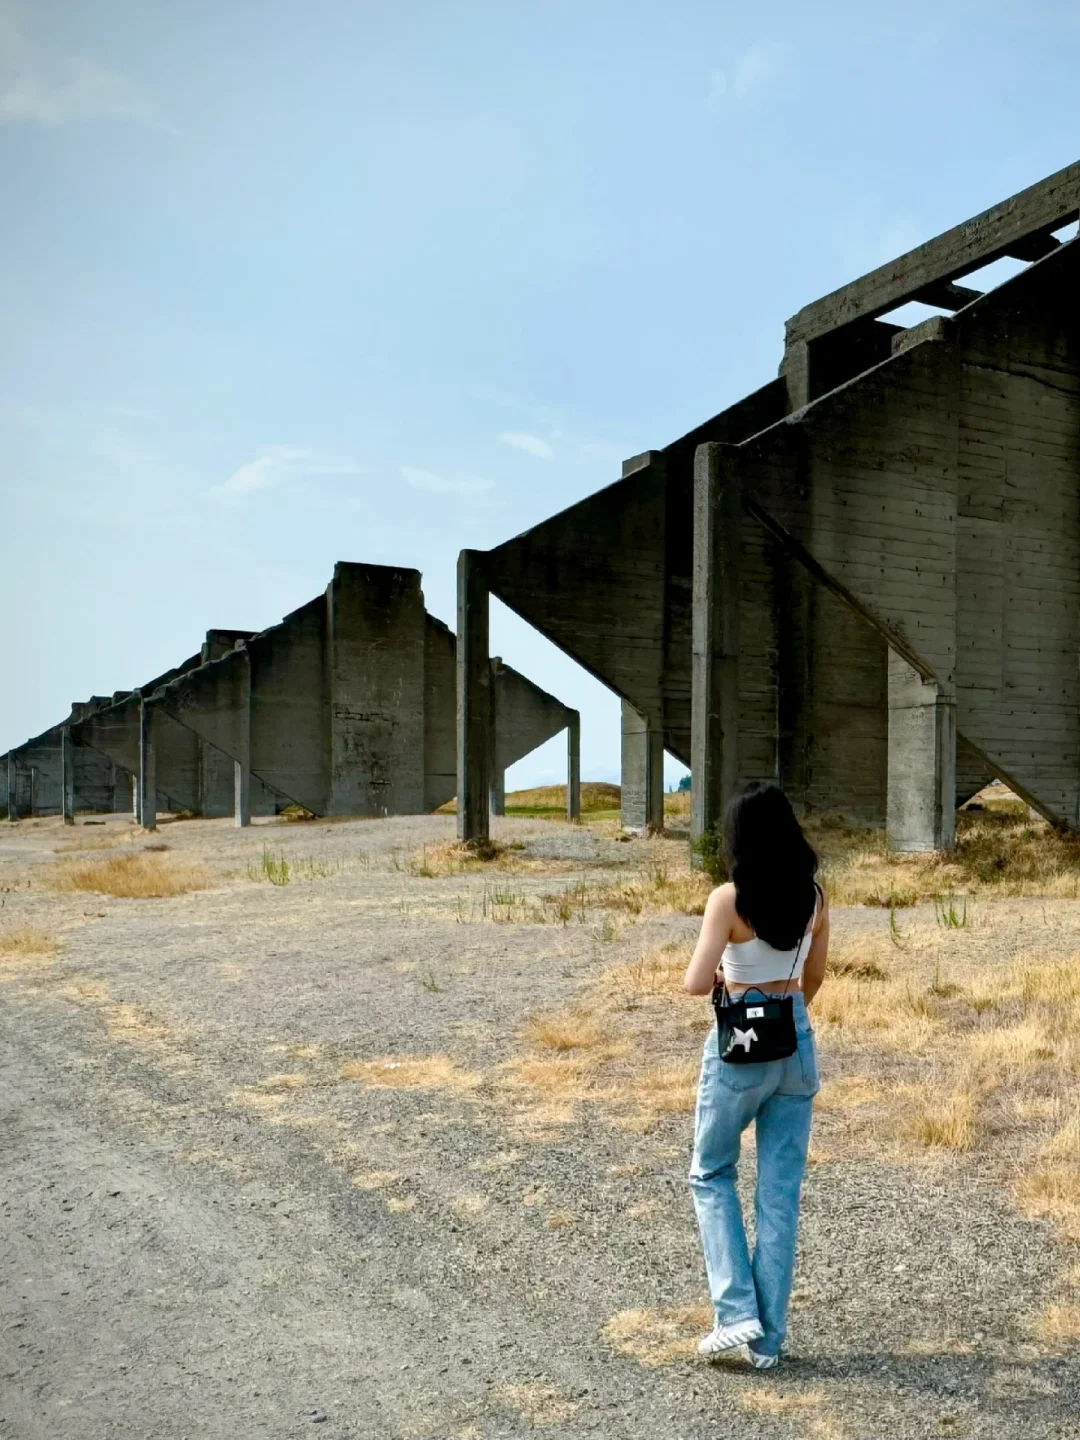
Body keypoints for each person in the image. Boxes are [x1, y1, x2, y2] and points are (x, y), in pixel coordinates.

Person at [683, 781, 829, 1370]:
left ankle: (736, 1308)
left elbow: (695, 983)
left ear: (739, 837)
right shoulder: (815, 897)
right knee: (779, 1196)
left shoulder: (728, 899)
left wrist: (726, 973)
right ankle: (767, 1341)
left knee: (711, 1171)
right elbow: (815, 979)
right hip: (795, 1038)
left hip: (741, 1041)